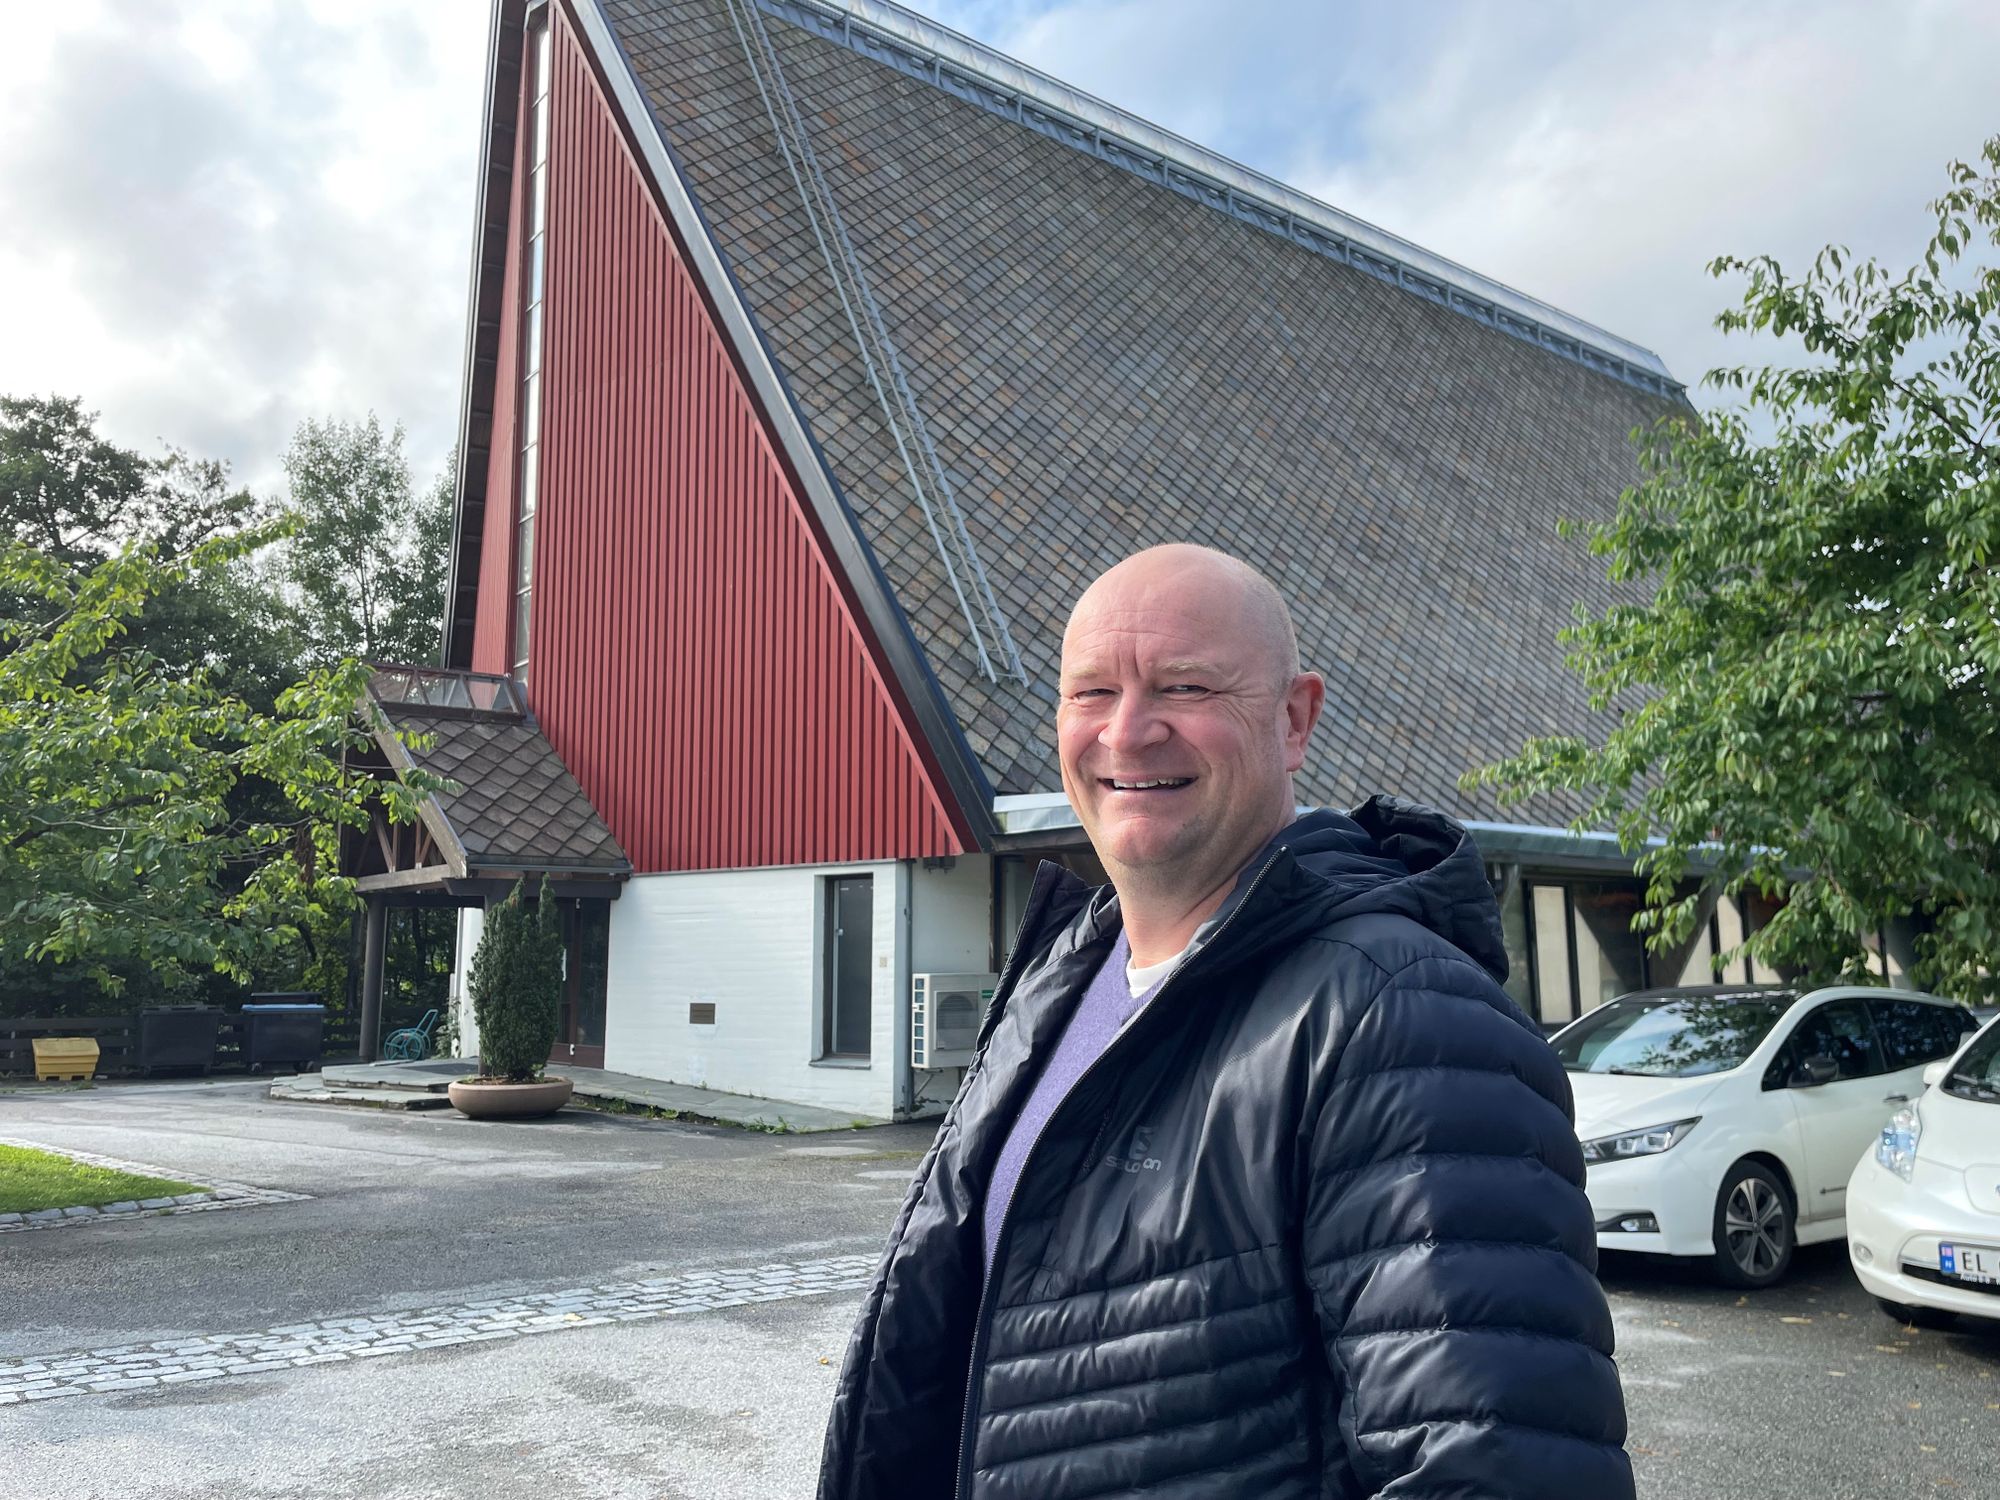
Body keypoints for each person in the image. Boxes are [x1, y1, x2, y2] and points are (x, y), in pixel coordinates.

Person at [817, 544, 1632, 1499]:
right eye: (1090, 693)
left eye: (1184, 685)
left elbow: (1492, 1469)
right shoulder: (1058, 979)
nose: (1127, 731)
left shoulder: (1401, 1019)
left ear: (1294, 720)